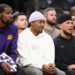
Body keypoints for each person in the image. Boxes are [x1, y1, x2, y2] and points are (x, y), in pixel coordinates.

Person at [16, 11, 65, 75]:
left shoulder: (47, 38)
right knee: (37, 73)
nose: (42, 25)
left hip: (46, 66)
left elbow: (50, 57)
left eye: (43, 22)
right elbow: (24, 60)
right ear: (32, 23)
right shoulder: (22, 36)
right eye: (40, 22)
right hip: (28, 66)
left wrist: (50, 66)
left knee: (61, 73)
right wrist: (42, 66)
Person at [0, 4, 25, 75]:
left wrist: (10, 63)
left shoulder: (13, 28)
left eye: (11, 13)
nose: (10, 16)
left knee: (21, 72)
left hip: (7, 59)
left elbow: (13, 50)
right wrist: (1, 63)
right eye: (7, 13)